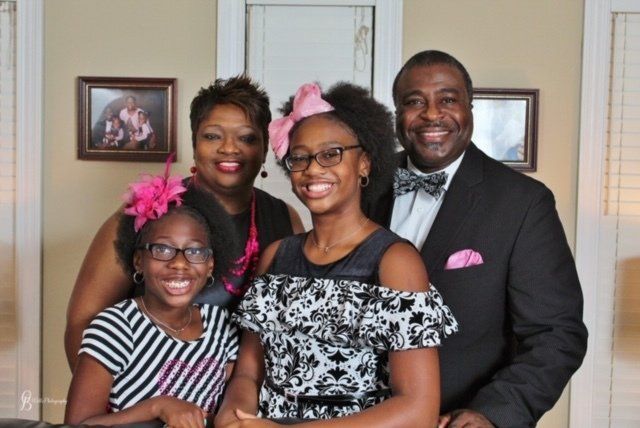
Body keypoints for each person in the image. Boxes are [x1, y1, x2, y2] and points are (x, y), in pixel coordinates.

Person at [364, 50, 588, 427]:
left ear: (470, 108)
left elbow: (555, 334)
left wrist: (491, 414)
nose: (432, 114)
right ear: (397, 113)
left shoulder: (522, 203)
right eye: (414, 102)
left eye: (448, 100)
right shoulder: (365, 186)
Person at [215, 82, 458, 427]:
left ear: (364, 163)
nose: (313, 169)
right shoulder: (276, 257)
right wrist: (232, 418)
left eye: (331, 154)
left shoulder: (394, 262)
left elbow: (418, 410)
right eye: (300, 157)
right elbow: (247, 375)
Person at [65, 76, 304, 370]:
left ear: (265, 149)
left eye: (247, 138)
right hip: (151, 390)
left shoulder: (285, 218)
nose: (229, 148)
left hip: (255, 392)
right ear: (194, 144)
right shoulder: (148, 210)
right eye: (212, 136)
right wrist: (113, 396)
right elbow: (83, 323)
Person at [65, 163, 237, 427]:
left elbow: (232, 403)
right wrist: (158, 406)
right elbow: (79, 424)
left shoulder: (221, 324)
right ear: (138, 261)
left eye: (194, 251)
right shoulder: (115, 328)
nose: (179, 264)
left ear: (210, 264)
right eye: (162, 249)